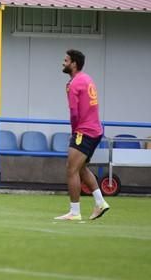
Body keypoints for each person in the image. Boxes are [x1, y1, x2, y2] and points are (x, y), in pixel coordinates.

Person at [55, 49, 110, 221]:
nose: (63, 63)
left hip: (84, 131)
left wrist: (74, 131)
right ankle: (100, 203)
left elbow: (74, 112)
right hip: (96, 130)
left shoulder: (73, 84)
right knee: (81, 168)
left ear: (74, 63)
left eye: (66, 60)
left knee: (71, 170)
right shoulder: (87, 78)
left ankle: (75, 212)